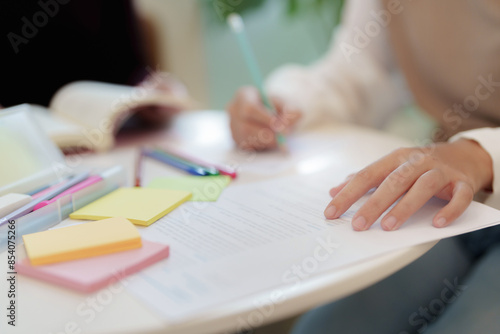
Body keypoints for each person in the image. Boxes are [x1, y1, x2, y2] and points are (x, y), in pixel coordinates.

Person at [227, 0, 500, 332]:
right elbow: (361, 69)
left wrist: (482, 155)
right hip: (451, 195)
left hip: (463, 174)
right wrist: (285, 103)